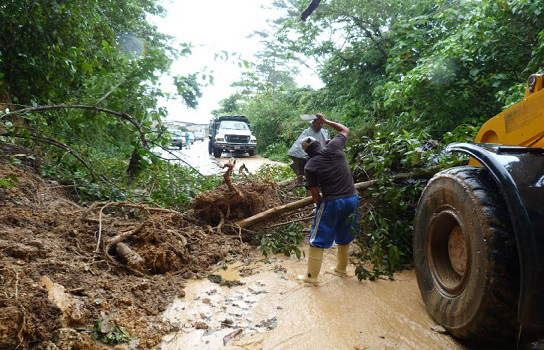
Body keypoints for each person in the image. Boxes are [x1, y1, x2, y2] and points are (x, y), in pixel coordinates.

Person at [297, 113, 359, 285]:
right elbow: (345, 129)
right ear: (320, 143)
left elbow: (315, 194)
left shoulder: (310, 166)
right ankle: (341, 270)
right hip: (353, 199)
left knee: (317, 239)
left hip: (333, 202)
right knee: (345, 235)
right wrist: (325, 121)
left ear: (307, 153)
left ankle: (311, 278)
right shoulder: (335, 147)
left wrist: (319, 208)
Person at [287, 117, 329, 182]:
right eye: (318, 123)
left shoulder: (325, 132)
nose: (320, 125)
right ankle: (301, 180)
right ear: (313, 123)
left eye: (322, 123)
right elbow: (300, 144)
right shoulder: (307, 132)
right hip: (308, 157)